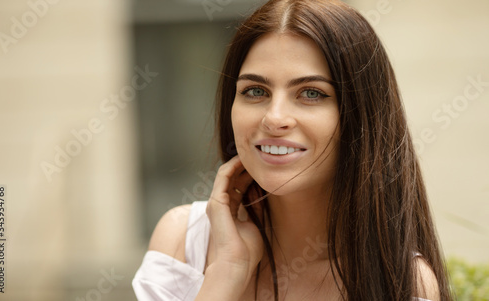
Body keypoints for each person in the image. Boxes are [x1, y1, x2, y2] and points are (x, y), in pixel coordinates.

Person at [132, 0, 453, 300]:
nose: (274, 118)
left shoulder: (399, 281)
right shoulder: (183, 243)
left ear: (360, 117)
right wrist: (226, 273)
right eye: (255, 91)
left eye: (311, 93)